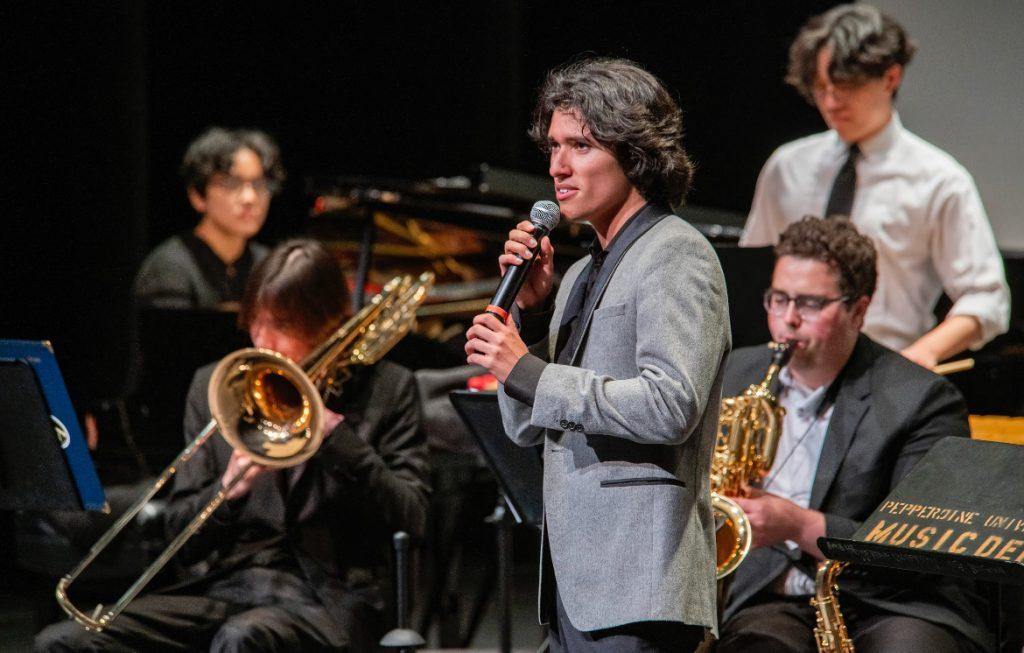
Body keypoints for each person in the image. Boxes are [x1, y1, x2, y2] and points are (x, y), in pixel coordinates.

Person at [37, 239, 430, 652]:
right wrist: (228, 491)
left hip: (328, 600)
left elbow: (414, 516)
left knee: (244, 638)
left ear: (328, 323)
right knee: (64, 642)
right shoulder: (218, 387)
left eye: (283, 325)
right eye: (257, 322)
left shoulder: (389, 388)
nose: (264, 342)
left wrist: (340, 442)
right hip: (225, 589)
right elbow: (181, 537)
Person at [466, 58, 730, 652]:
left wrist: (528, 369)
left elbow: (670, 405)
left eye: (580, 145)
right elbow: (525, 426)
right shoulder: (582, 271)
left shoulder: (676, 254)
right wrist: (532, 315)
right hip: (575, 583)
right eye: (554, 147)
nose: (557, 167)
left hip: (640, 579)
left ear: (635, 153)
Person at [718, 217, 991, 653]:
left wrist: (799, 524)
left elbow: (924, 546)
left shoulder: (922, 399)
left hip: (893, 601)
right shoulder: (735, 374)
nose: (788, 320)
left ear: (858, 310)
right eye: (779, 299)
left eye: (809, 304)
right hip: (770, 595)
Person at [740, 3, 1009, 368]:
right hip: (790, 368)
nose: (832, 102)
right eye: (821, 88)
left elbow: (986, 299)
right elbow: (753, 274)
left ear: (891, 78)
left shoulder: (940, 180)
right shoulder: (787, 167)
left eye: (847, 87)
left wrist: (920, 355)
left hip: (883, 370)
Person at [133, 127, 286, 310]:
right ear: (198, 196)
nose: (250, 198)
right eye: (232, 184)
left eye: (259, 184)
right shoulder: (170, 267)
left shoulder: (269, 266)